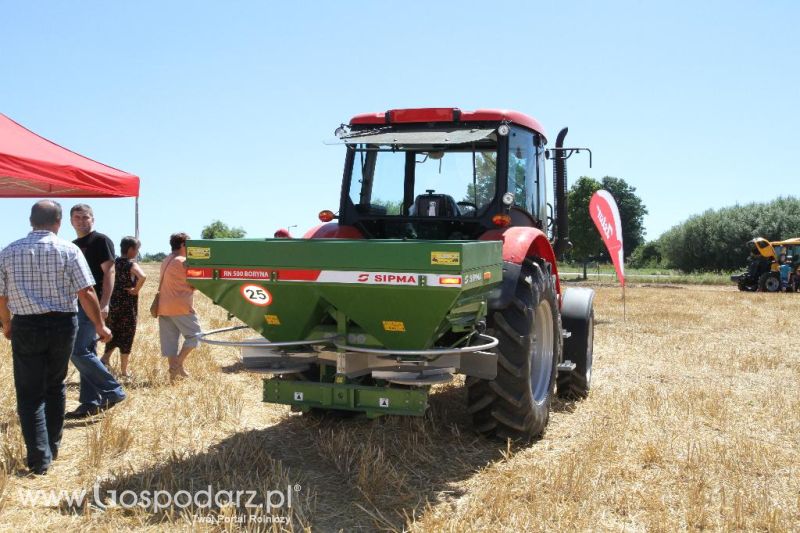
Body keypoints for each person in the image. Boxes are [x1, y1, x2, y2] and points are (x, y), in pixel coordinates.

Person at [0, 200, 112, 475]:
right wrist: (99, 326)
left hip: (26, 325)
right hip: (63, 324)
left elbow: (1, 296)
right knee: (55, 386)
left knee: (29, 394)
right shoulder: (69, 249)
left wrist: (6, 324)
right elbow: (86, 292)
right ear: (59, 222)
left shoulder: (9, 251)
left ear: (30, 220)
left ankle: (39, 458)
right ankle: (53, 445)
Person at [67, 204, 126, 419]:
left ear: (93, 219)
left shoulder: (100, 241)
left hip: (93, 303)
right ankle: (90, 402)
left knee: (78, 351)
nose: (82, 221)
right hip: (77, 304)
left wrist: (104, 303)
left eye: (86, 217)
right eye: (78, 217)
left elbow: (110, 271)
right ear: (71, 221)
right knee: (87, 353)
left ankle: (113, 390)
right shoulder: (73, 245)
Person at [157, 232, 202, 380]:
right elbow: (194, 283)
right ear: (183, 245)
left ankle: (174, 372)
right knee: (196, 335)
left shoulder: (166, 260)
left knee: (170, 341)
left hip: (163, 306)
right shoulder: (183, 261)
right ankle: (177, 364)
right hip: (180, 306)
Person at [101, 236, 147, 378]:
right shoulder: (130, 264)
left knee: (113, 332)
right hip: (127, 305)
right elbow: (143, 276)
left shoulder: (113, 263)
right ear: (131, 249)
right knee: (127, 335)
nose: (137, 252)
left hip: (114, 304)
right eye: (137, 249)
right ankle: (124, 371)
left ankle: (105, 359)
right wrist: (136, 289)